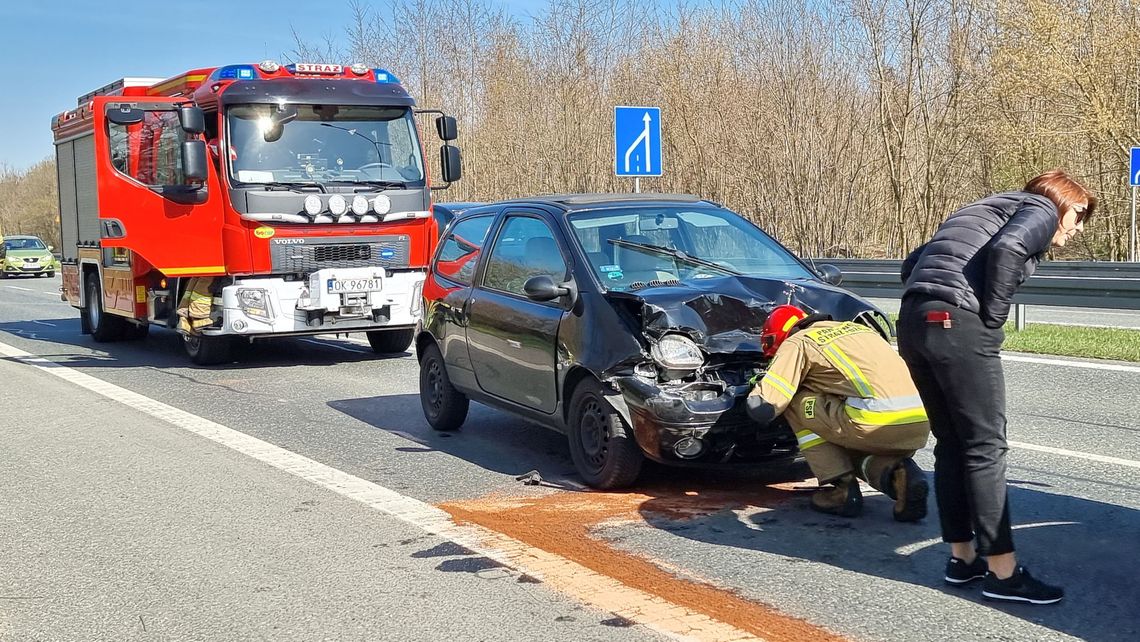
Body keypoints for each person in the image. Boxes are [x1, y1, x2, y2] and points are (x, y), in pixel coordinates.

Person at [897, 169, 1095, 605]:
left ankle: (961, 559)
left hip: (913, 321)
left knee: (951, 443)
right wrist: (992, 318)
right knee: (986, 447)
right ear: (1066, 202)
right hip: (959, 324)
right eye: (1078, 216)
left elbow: (912, 263)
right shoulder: (1041, 207)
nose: (1076, 229)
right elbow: (1008, 249)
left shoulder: (984, 208)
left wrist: (936, 303)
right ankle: (1003, 574)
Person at [746, 305, 931, 521]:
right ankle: (899, 476)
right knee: (845, 440)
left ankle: (841, 488)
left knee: (795, 401)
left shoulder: (798, 341)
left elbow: (765, 406)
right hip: (917, 422)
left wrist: (756, 387)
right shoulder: (858, 330)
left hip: (871, 420)